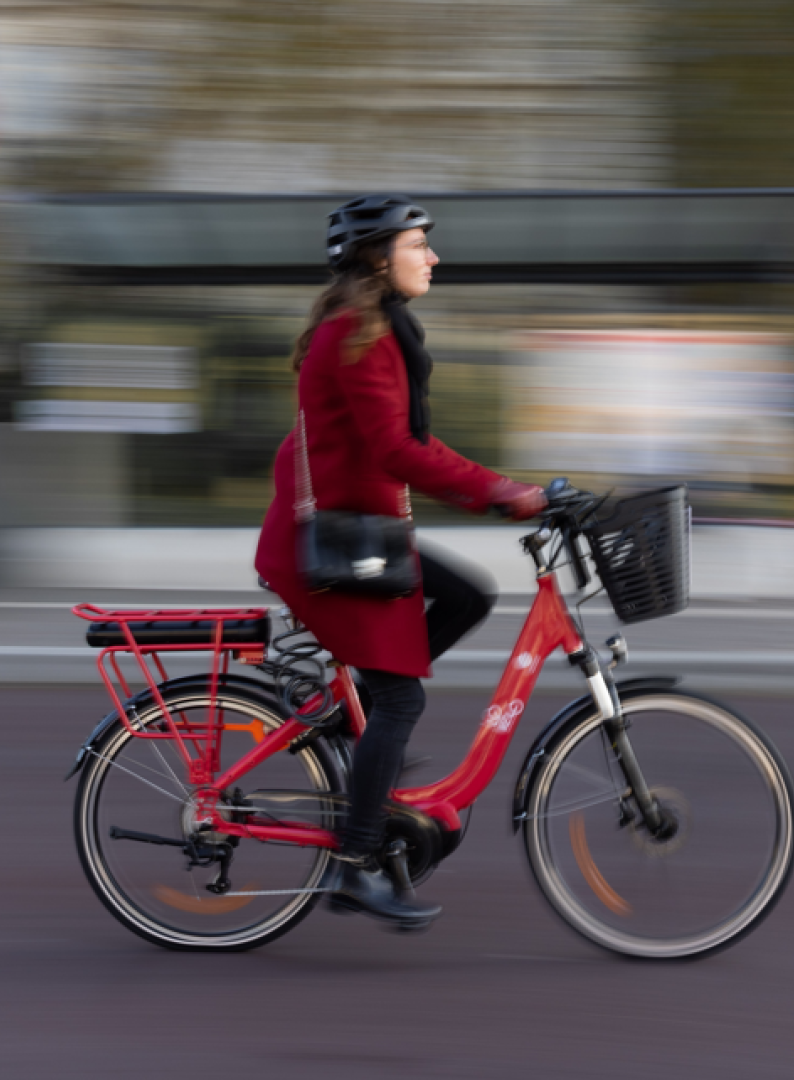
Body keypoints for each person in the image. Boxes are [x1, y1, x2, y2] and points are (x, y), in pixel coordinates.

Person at [254, 195, 546, 930]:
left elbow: (406, 449)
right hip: (328, 548)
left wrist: (501, 489)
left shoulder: (378, 330)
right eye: (420, 244)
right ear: (380, 256)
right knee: (402, 699)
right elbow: (396, 451)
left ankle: (346, 718)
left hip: (365, 535)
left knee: (469, 596)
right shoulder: (355, 333)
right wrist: (504, 493)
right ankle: (355, 868)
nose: (433, 257)